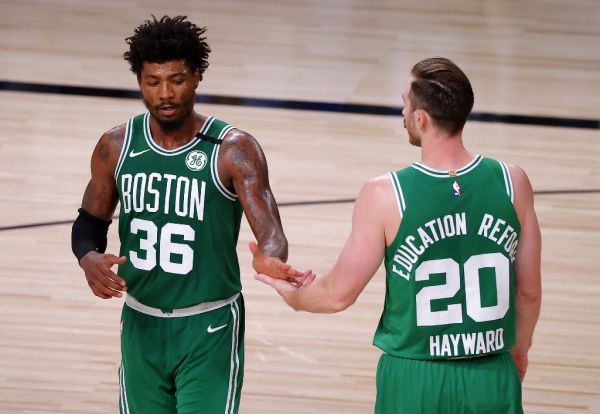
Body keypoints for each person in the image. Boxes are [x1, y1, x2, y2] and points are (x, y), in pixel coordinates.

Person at [251, 57, 542, 413]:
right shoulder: (513, 182)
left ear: (421, 118)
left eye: (405, 102)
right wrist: (519, 351)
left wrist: (291, 294)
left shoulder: (385, 193)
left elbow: (336, 296)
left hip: (413, 376)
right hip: (491, 372)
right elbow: (528, 291)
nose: (402, 112)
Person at [71, 15, 302, 414]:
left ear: (196, 76)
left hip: (208, 325)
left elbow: (270, 231)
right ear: (139, 82)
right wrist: (87, 256)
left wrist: (271, 255)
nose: (165, 93)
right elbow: (90, 222)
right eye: (152, 81)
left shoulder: (233, 149)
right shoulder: (116, 146)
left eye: (176, 79)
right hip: (141, 321)